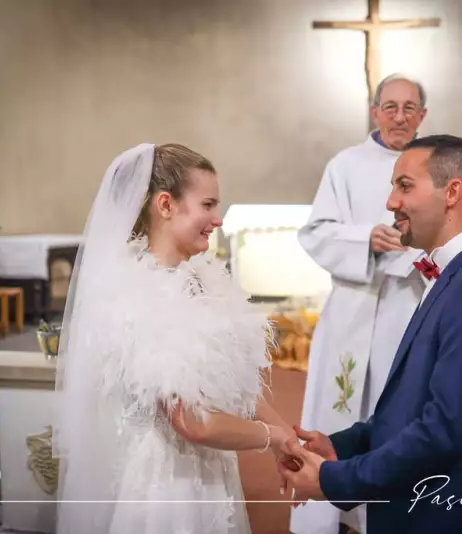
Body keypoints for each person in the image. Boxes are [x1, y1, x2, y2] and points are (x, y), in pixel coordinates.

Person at [280, 135, 462, 534]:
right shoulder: (450, 276)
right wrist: (342, 446)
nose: (391, 202)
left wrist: (334, 480)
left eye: (404, 186)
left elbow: (445, 430)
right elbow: (410, 410)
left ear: (452, 193)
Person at [52, 143, 294, 534]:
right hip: (168, 480)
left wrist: (289, 435)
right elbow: (192, 423)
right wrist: (273, 438)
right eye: (208, 204)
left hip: (210, 466)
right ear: (166, 205)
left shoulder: (201, 279)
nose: (217, 219)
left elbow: (238, 383)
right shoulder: (139, 294)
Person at [292, 74, 429, 534]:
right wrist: (364, 239)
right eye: (390, 106)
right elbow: (314, 232)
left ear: (423, 116)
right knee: (342, 409)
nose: (399, 116)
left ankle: (386, 514)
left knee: (396, 413)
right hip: (354, 307)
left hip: (409, 306)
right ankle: (335, 515)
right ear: (375, 112)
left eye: (409, 108)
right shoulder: (346, 165)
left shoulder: (436, 164)